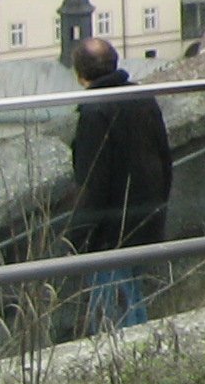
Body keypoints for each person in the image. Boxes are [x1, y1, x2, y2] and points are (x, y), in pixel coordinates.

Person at [65, 37, 174, 329]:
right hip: (144, 218)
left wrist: (77, 237)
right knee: (132, 299)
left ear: (80, 75)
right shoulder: (140, 97)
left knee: (115, 315)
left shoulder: (94, 111)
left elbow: (93, 182)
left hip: (110, 232)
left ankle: (132, 369)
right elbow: (164, 158)